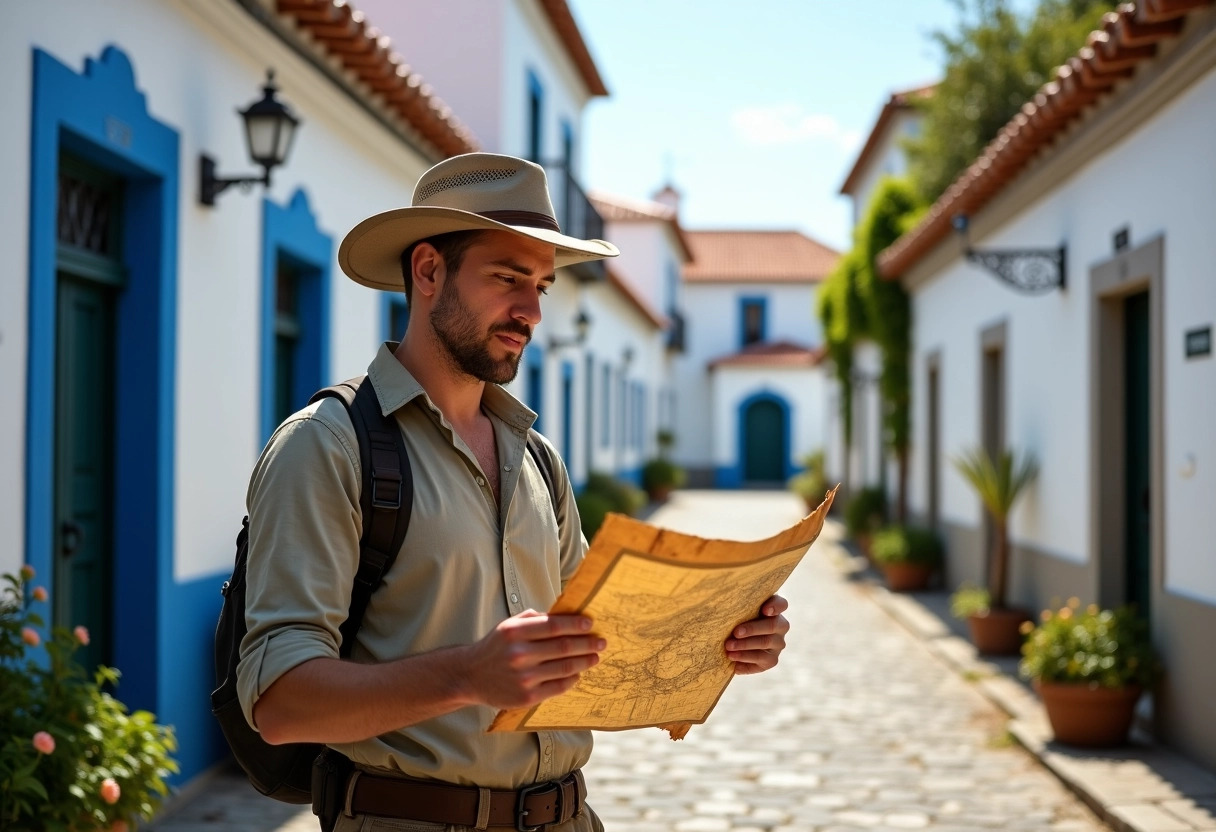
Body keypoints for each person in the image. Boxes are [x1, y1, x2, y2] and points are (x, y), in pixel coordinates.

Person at [236, 152, 791, 832]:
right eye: (507, 279)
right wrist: (469, 675)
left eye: (542, 287)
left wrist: (718, 644)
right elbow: (280, 703)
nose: (530, 311)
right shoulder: (327, 444)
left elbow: (590, 656)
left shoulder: (538, 460)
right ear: (429, 271)